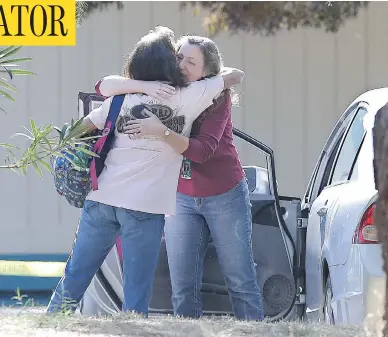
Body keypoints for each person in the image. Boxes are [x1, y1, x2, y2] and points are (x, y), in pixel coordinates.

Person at [46, 27, 244, 316]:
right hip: (143, 208)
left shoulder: (118, 99)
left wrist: (138, 88)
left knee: (74, 278)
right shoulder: (188, 96)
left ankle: (50, 326)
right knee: (136, 292)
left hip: (101, 200)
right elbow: (233, 77)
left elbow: (79, 127)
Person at [96, 35, 264, 320]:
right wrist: (143, 86)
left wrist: (159, 130)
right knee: (183, 287)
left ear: (207, 72)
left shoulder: (215, 97)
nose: (182, 65)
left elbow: (202, 152)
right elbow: (102, 87)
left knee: (240, 281)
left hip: (223, 194)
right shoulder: (163, 88)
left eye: (192, 61)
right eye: (179, 57)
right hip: (181, 197)